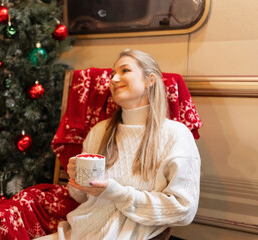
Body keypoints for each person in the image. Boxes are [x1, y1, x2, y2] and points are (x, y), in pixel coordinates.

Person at [37, 49, 201, 240]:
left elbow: (184, 210)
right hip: (78, 231)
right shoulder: (99, 131)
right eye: (113, 74)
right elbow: (82, 198)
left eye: (125, 71)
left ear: (150, 80)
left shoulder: (176, 135)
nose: (113, 79)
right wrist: (77, 180)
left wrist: (118, 193)